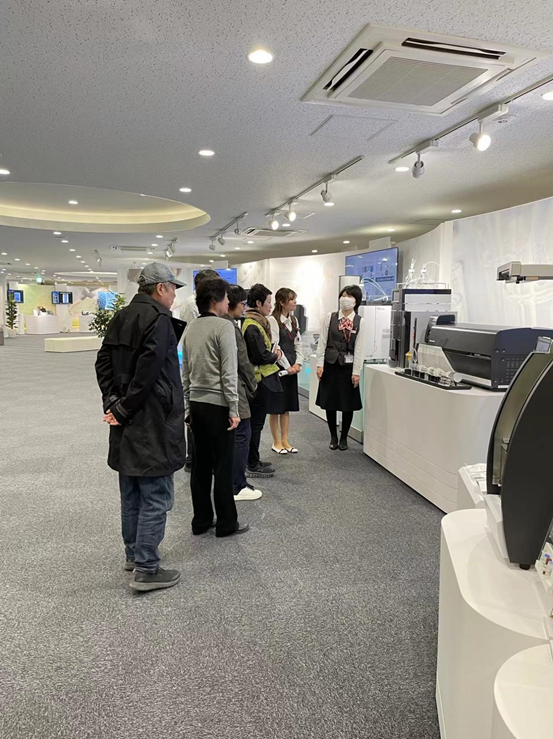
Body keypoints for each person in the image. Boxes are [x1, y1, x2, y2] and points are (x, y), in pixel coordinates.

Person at [95, 262, 186, 592]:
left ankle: (134, 554)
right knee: (155, 494)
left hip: (127, 420)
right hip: (152, 421)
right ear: (160, 288)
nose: (174, 295)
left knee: (131, 490)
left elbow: (102, 362)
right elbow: (148, 372)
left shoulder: (121, 316)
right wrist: (124, 406)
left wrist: (113, 403)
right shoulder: (159, 318)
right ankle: (147, 568)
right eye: (173, 288)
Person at [182, 278, 249, 537]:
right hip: (219, 406)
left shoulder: (191, 328)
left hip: (197, 405)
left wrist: (187, 407)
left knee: (200, 466)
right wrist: (234, 409)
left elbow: (185, 371)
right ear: (214, 300)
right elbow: (229, 372)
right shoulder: (224, 326)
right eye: (226, 298)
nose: (228, 302)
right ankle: (226, 524)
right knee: (223, 465)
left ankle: (200, 521)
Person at [316, 285, 365, 451]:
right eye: (343, 295)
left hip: (348, 367)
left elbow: (359, 349)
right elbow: (322, 342)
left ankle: (344, 437)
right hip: (330, 365)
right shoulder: (329, 318)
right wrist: (319, 364)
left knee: (347, 403)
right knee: (330, 402)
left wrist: (357, 372)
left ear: (356, 301)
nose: (345, 299)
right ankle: (333, 436)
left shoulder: (360, 321)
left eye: (349, 296)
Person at [224, 285, 263, 501]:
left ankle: (233, 481)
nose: (244, 308)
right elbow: (242, 360)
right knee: (242, 435)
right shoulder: (230, 326)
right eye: (241, 304)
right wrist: (253, 383)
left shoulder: (214, 323)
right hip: (235, 388)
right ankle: (237, 485)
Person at [180, 268, 219, 472]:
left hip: (199, 359)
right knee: (195, 407)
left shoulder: (195, 302)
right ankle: (192, 457)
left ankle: (196, 457)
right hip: (197, 361)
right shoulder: (192, 304)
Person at [242, 283, 282, 478]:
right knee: (255, 425)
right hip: (258, 381)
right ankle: (252, 463)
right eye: (268, 302)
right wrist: (275, 356)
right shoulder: (252, 326)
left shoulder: (256, 323)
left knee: (256, 425)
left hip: (260, 379)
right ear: (258, 303)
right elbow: (259, 356)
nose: (271, 306)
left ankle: (253, 459)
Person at [267, 288, 303, 454]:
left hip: (292, 369)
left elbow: (298, 344)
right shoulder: (273, 320)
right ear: (282, 302)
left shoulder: (294, 320)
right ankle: (276, 442)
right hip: (279, 369)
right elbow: (276, 347)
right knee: (276, 407)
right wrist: (287, 366)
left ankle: (285, 440)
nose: (295, 302)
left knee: (286, 406)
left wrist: (298, 364)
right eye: (291, 299)